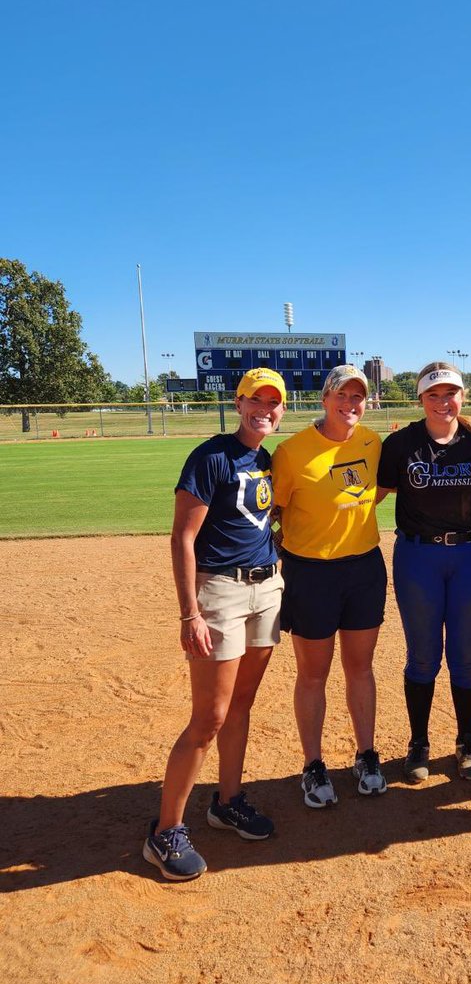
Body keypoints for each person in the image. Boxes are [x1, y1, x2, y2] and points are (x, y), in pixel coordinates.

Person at [143, 367, 287, 881]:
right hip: (220, 592)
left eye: (273, 403)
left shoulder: (265, 458)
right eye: (255, 400)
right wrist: (190, 612)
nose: (263, 410)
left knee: (241, 704)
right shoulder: (211, 456)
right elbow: (183, 537)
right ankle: (165, 832)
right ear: (239, 401)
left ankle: (227, 801)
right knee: (208, 718)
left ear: (282, 409)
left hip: (265, 589)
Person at [377, 361, 471, 781]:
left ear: (462, 397)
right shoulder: (400, 445)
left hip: (469, 557)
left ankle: (467, 741)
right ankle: (419, 743)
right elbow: (368, 498)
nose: (443, 401)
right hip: (418, 558)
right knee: (423, 655)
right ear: (421, 400)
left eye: (450, 393)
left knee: (466, 655)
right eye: (433, 394)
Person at [271, 365, 387, 808]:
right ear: (325, 398)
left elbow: (373, 493)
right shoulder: (292, 451)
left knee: (361, 667)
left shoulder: (372, 442)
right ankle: (313, 764)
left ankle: (366, 754)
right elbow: (273, 512)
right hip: (311, 573)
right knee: (313, 672)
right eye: (342, 395)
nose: (350, 404)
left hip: (362, 568)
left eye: (358, 396)